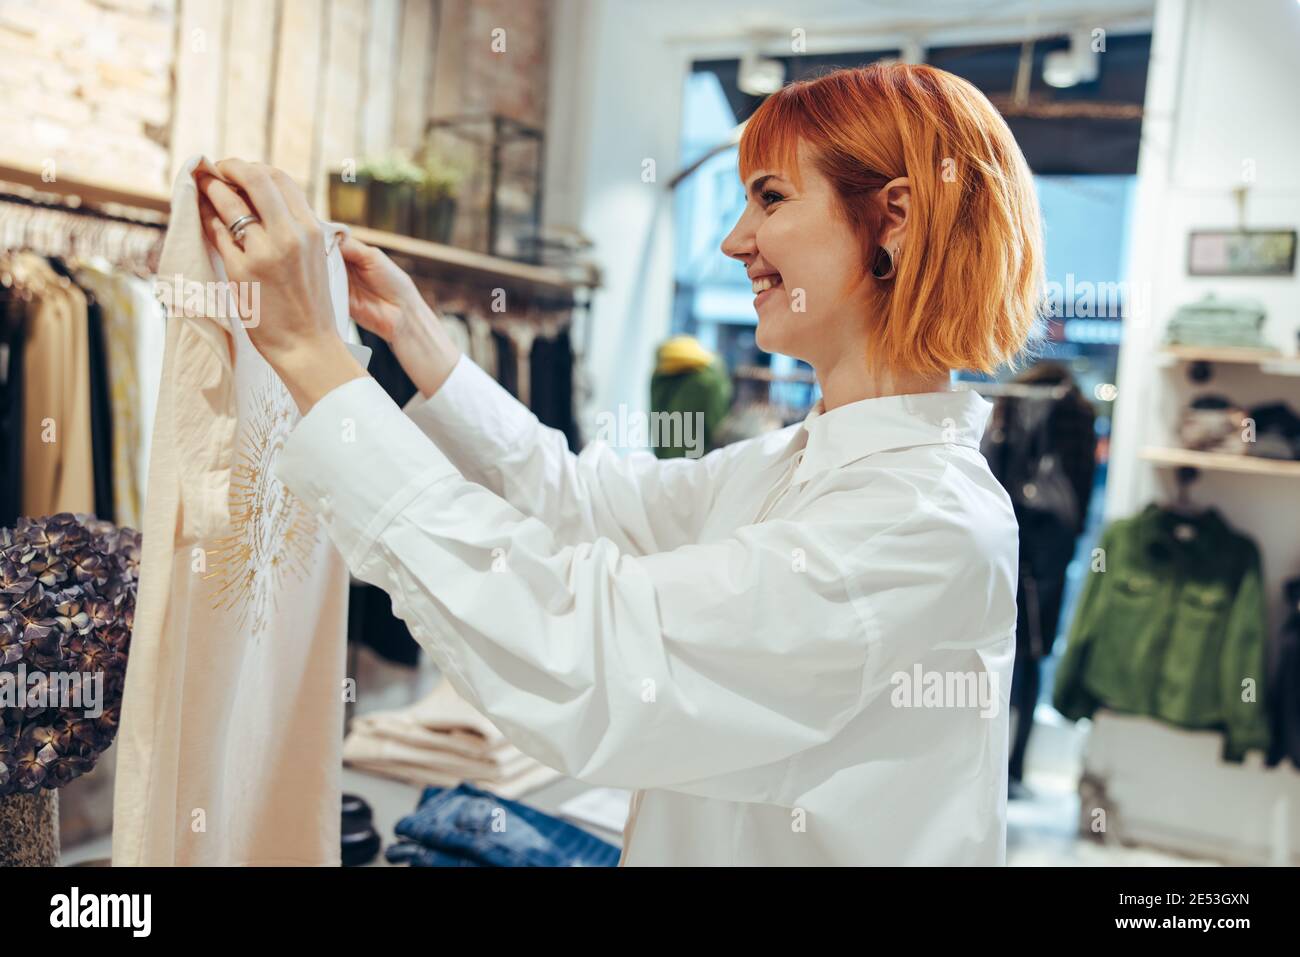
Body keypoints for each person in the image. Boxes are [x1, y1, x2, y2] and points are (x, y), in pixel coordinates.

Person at [195, 62, 1043, 866]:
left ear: (893, 219)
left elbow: (598, 654)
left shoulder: (920, 523)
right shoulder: (798, 462)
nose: (734, 239)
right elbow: (590, 503)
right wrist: (419, 341)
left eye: (770, 198)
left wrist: (312, 353)